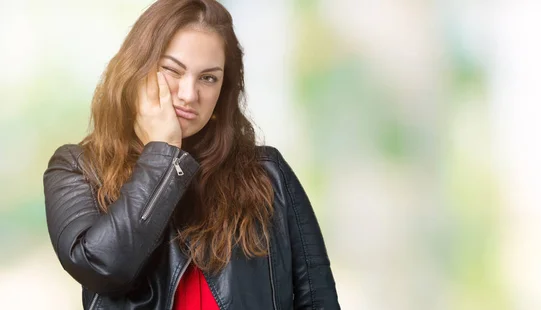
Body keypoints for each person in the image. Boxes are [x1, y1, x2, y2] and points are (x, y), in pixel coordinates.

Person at [42, 0, 340, 309]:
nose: (189, 94)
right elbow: (103, 269)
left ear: (223, 90)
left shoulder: (268, 174)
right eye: (172, 70)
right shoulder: (78, 168)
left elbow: (319, 301)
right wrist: (163, 154)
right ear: (136, 70)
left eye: (208, 78)